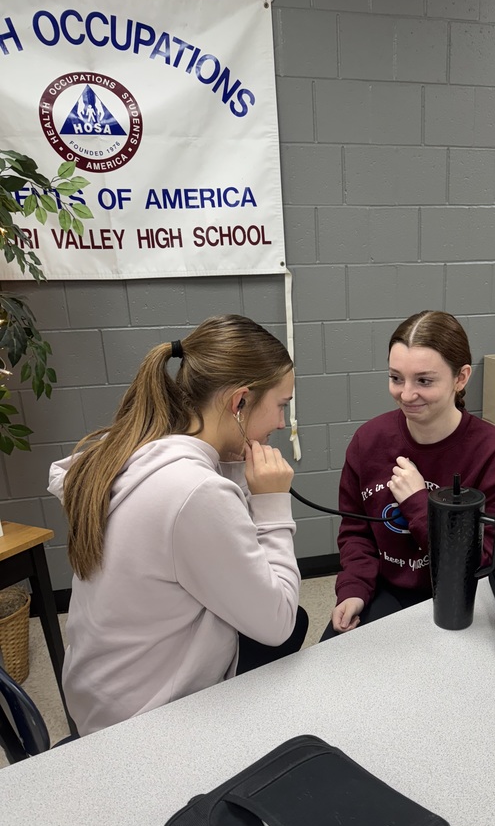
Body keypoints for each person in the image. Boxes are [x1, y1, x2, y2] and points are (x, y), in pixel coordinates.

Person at [48, 315, 307, 735]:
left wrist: (238, 466)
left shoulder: (132, 448)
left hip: (98, 698)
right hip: (145, 725)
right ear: (239, 402)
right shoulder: (195, 492)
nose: (282, 422)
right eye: (281, 405)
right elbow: (277, 623)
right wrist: (273, 503)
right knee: (290, 622)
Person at [324, 310, 495, 637]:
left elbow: (487, 561)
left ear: (461, 378)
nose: (406, 394)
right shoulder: (369, 441)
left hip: (463, 597)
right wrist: (354, 588)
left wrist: (419, 503)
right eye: (396, 377)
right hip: (387, 589)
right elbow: (356, 530)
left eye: (424, 381)